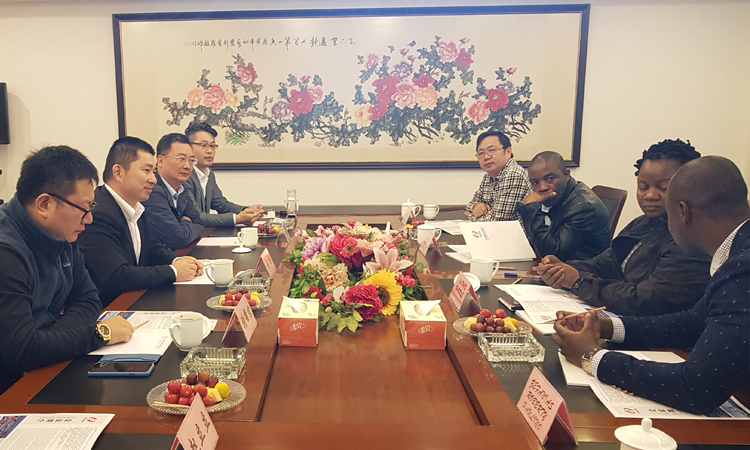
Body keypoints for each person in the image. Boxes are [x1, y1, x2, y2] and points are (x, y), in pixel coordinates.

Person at [552, 156, 749, 415]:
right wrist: (606, 326)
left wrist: (592, 357)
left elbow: (695, 388)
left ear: (682, 212)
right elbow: (693, 323)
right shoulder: (737, 254)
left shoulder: (741, 269)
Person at [0, 146, 133, 394]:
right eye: (84, 208)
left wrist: (48, 339)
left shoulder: (62, 232)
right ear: (44, 204)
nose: (89, 219)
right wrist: (99, 334)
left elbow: (87, 298)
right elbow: (22, 351)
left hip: (42, 367)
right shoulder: (6, 253)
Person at [535, 139, 710, 316]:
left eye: (663, 187)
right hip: (617, 314)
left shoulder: (690, 242)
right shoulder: (642, 223)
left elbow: (645, 301)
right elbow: (604, 264)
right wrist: (561, 269)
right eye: (643, 187)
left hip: (646, 328)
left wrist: (578, 282)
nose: (650, 195)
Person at [78, 137, 204, 306]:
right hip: (109, 309)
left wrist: (178, 261)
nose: (153, 179)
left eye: (154, 171)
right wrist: (173, 271)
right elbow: (117, 276)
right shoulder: (98, 214)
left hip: (137, 298)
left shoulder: (137, 207)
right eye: (146, 170)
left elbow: (153, 250)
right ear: (118, 172)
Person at [517, 151, 610, 261]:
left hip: (582, 269)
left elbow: (553, 254)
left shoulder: (583, 207)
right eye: (535, 182)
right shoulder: (564, 195)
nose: (542, 188)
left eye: (549, 179)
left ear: (566, 174)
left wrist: (531, 209)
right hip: (568, 265)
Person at [183, 122, 264, 227]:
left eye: (212, 146)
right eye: (203, 145)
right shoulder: (184, 175)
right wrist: (237, 219)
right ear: (188, 147)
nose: (210, 151)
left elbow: (221, 204)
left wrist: (246, 210)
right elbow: (197, 216)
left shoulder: (209, 174)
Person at [143, 133, 205, 250]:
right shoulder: (152, 191)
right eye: (181, 159)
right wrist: (186, 222)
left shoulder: (181, 189)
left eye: (191, 160)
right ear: (160, 161)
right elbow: (178, 239)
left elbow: (200, 223)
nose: (187, 166)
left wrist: (183, 227)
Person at [464, 131, 531, 222]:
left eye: (492, 150)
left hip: (513, 231)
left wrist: (470, 215)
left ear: (508, 151)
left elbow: (497, 220)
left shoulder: (513, 174)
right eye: (481, 153)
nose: (486, 157)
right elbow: (468, 207)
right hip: (493, 229)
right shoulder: (488, 177)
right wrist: (476, 206)